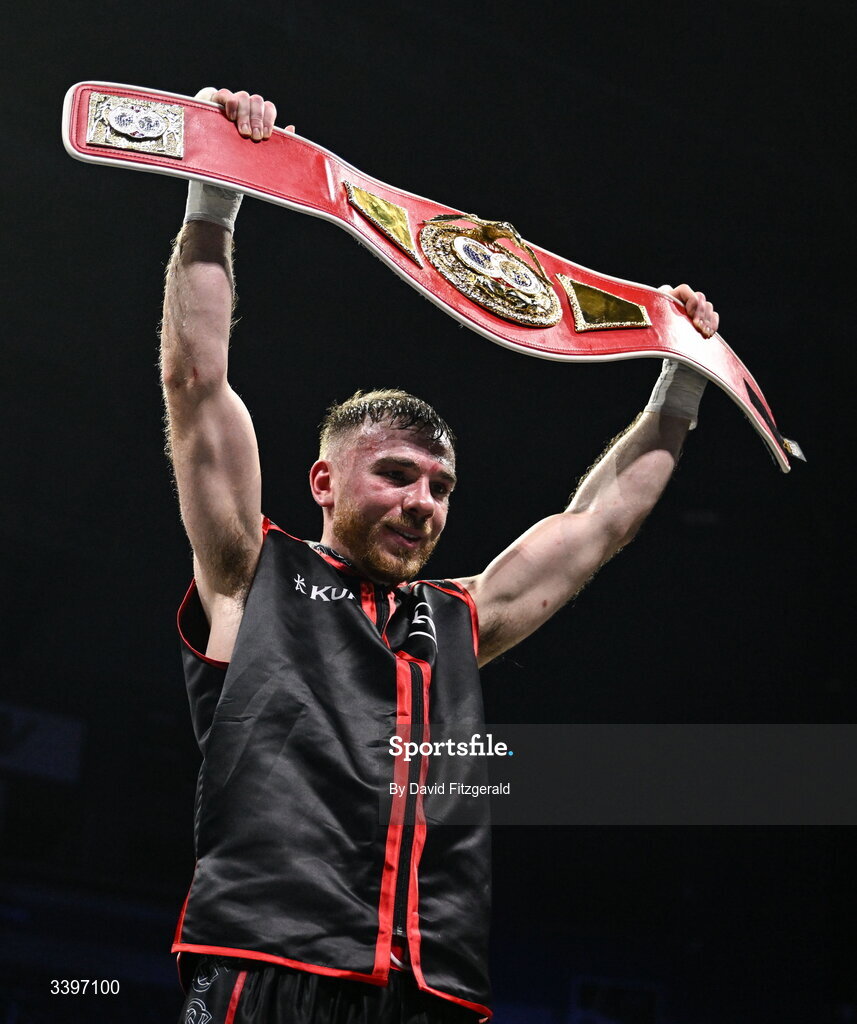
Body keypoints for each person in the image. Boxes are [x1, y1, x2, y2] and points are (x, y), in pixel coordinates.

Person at [161, 89, 719, 1024]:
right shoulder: (251, 577)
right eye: (395, 475)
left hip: (433, 991)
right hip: (268, 967)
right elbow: (196, 380)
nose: (422, 503)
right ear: (325, 482)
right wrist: (218, 189)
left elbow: (598, 525)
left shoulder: (459, 622)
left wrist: (680, 375)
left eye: (440, 486)